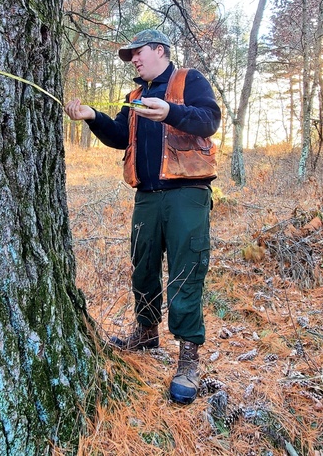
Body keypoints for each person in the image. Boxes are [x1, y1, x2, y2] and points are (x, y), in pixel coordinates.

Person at [64, 29, 221, 405]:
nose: (133, 60)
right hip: (146, 197)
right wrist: (92, 117)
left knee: (186, 271)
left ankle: (188, 358)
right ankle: (146, 332)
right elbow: (120, 136)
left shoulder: (188, 80)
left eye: (138, 53)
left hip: (187, 194)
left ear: (159, 51)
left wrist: (172, 112)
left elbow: (209, 119)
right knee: (143, 266)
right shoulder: (135, 96)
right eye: (129, 56)